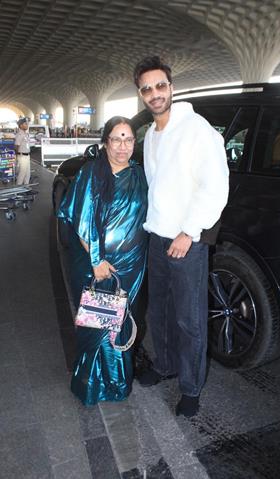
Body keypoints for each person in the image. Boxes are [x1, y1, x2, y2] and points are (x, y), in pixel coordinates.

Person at [133, 56, 229, 418]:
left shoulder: (197, 130)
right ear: (141, 95)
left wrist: (190, 232)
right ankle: (166, 364)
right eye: (147, 89)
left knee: (188, 319)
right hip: (157, 238)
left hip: (186, 242)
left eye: (160, 86)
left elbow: (216, 187)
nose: (155, 93)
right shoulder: (153, 136)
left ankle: (190, 387)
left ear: (171, 87)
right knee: (159, 311)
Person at [57, 116, 148, 406]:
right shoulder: (90, 173)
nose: (123, 146)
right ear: (105, 142)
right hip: (98, 265)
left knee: (120, 322)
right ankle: (93, 384)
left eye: (129, 139)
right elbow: (82, 220)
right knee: (98, 325)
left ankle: (117, 382)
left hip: (131, 264)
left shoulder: (139, 175)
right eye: (117, 139)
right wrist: (97, 260)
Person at [14, 117, 31, 185]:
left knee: (27, 174)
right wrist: (17, 156)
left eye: (27, 124)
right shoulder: (19, 135)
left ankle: (26, 188)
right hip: (22, 156)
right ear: (21, 125)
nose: (27, 125)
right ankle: (18, 189)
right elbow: (16, 146)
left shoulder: (25, 134)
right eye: (25, 124)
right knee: (22, 173)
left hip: (27, 156)